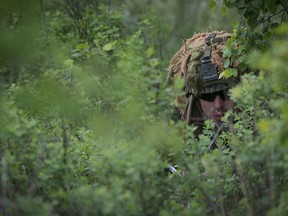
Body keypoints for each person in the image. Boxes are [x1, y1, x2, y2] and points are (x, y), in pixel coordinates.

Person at [166, 31, 241, 138]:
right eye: (208, 96)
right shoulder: (181, 139)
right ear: (197, 99)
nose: (218, 105)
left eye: (226, 94)